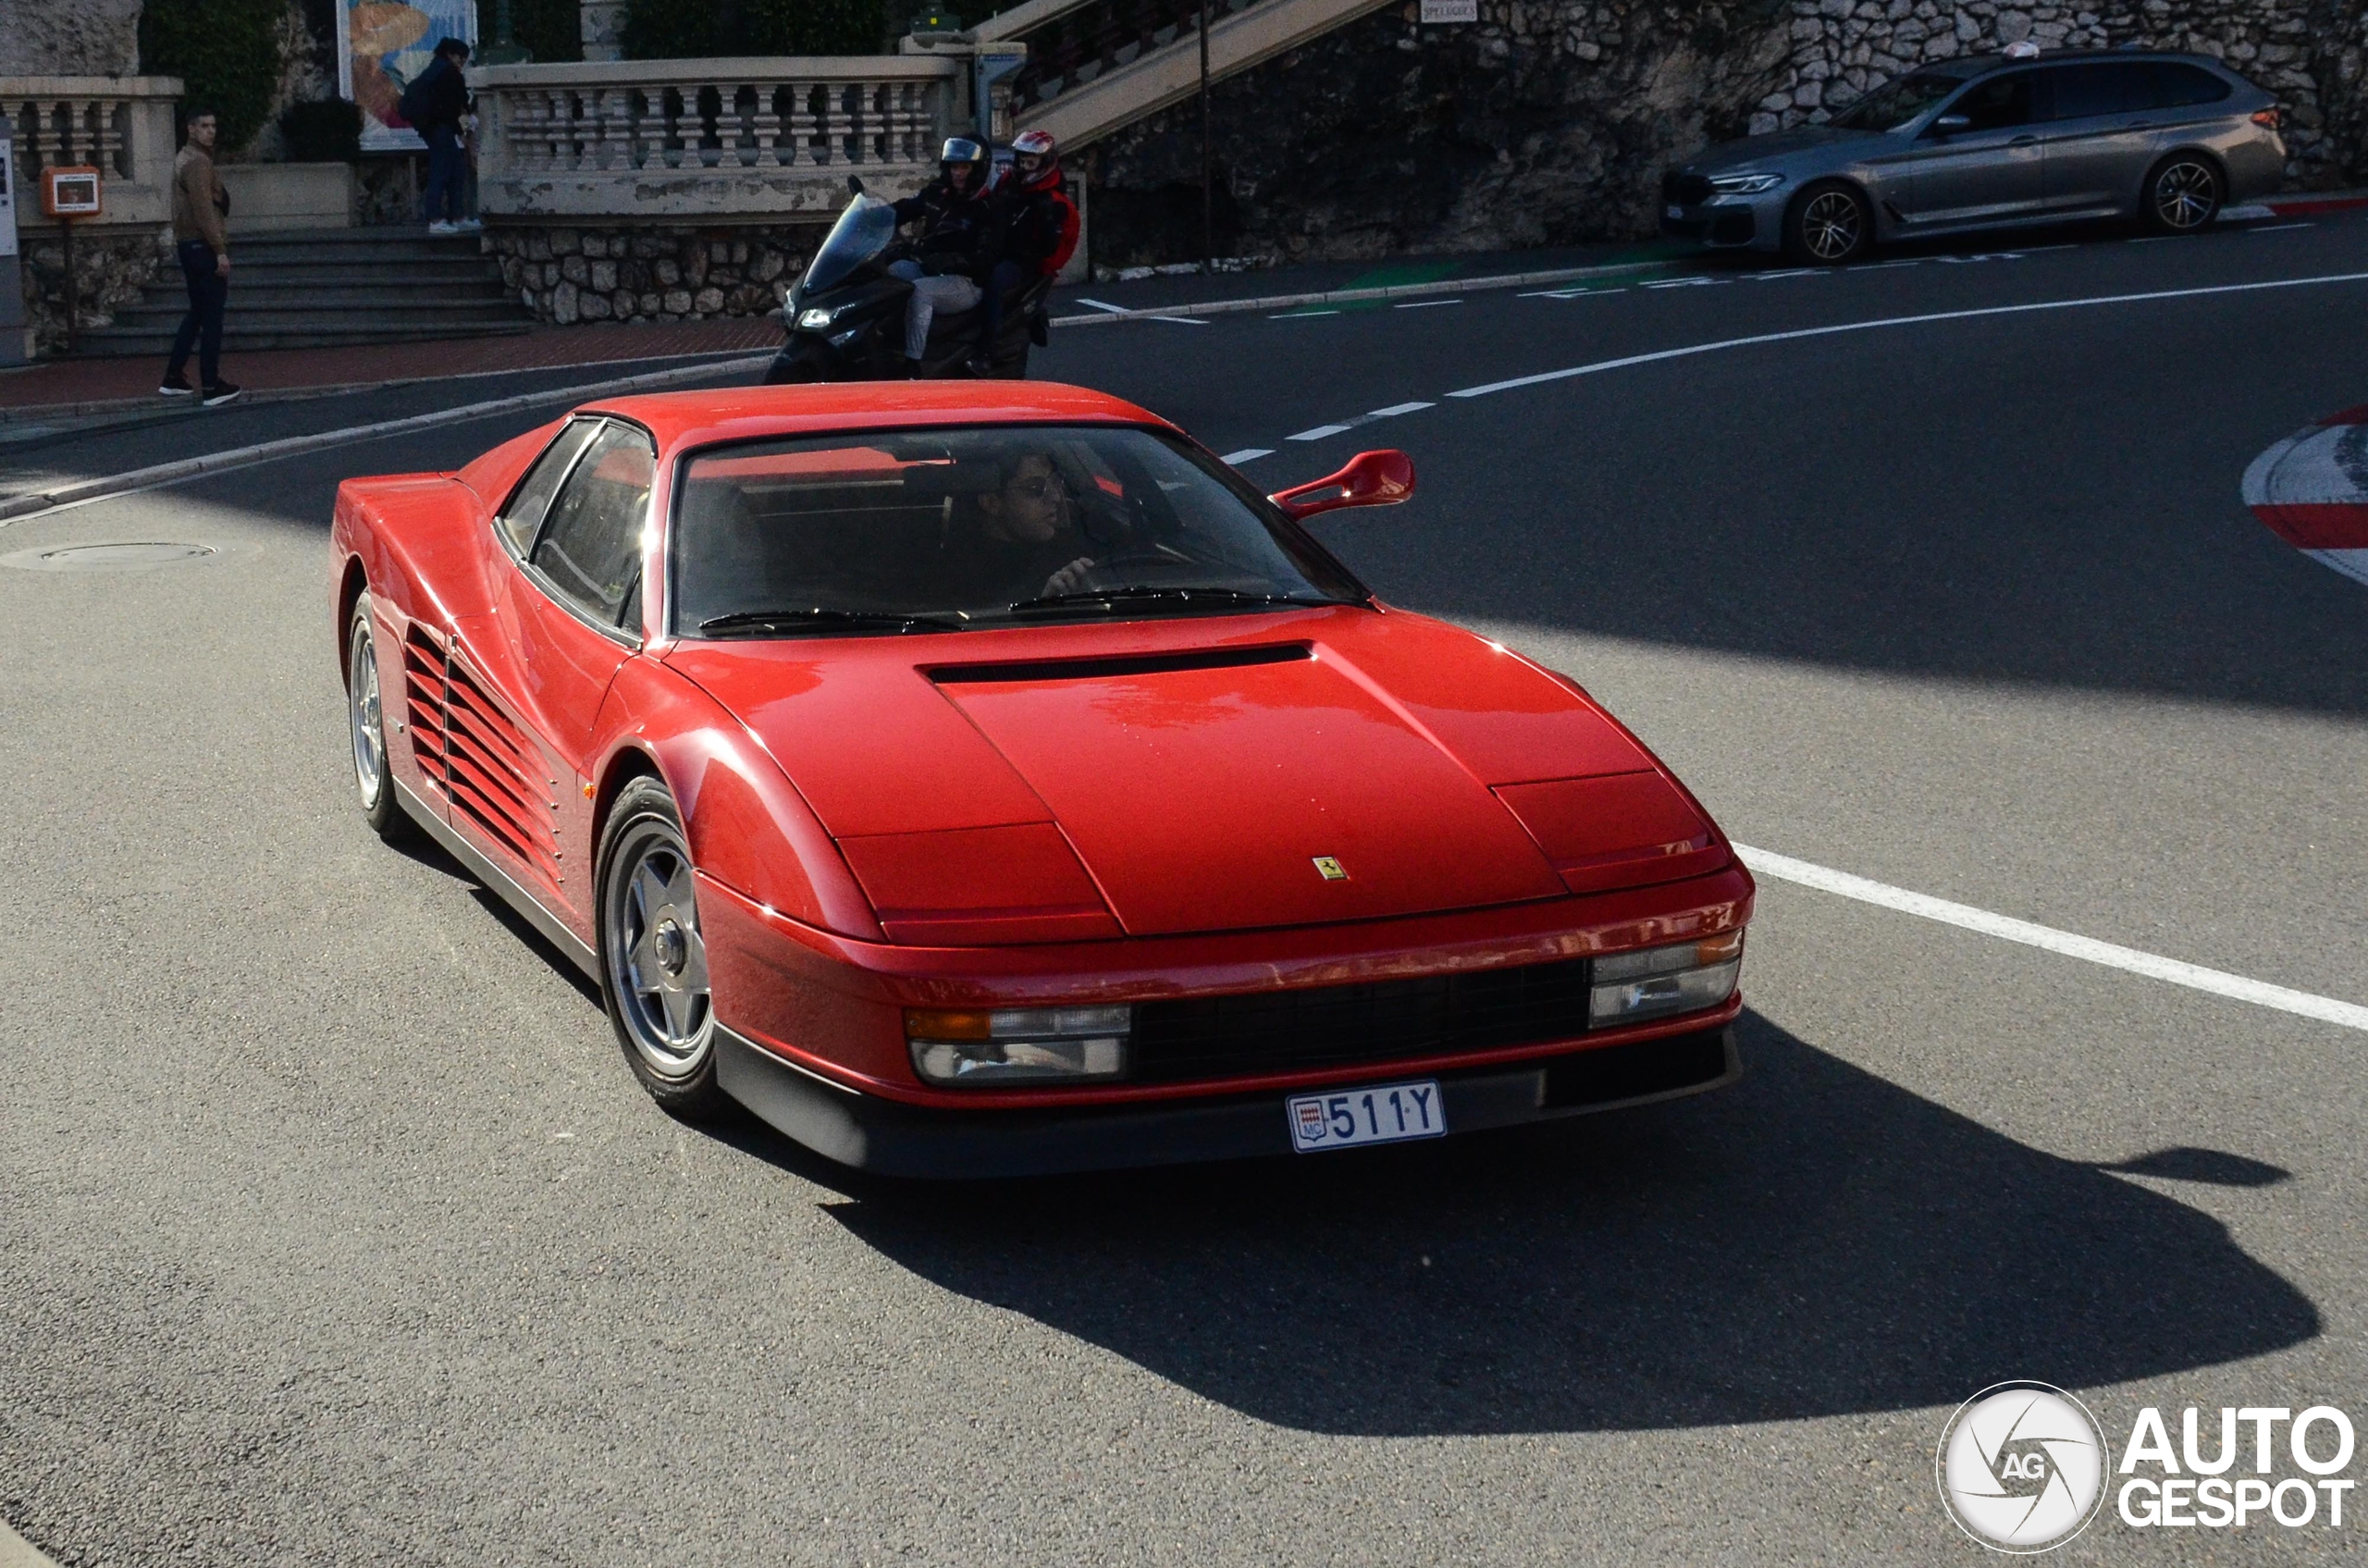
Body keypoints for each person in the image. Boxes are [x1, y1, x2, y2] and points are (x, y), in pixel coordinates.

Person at [886, 138, 1005, 373]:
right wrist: (878, 214)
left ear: (977, 169)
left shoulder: (988, 207)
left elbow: (986, 260)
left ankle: (913, 365)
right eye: (954, 167)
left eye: (964, 167)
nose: (958, 173)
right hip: (929, 268)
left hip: (966, 283)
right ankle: (885, 343)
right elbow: (907, 208)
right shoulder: (937, 193)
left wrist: (953, 261)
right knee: (889, 273)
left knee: (920, 292)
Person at [937, 451, 1100, 604]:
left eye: (1057, 483)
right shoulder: (958, 577)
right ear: (991, 502)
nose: (1056, 497)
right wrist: (1043, 605)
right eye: (1035, 489)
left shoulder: (1072, 547)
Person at [980, 130, 1079, 367]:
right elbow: (991, 210)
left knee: (993, 284)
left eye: (1031, 162)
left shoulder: (1055, 203)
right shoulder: (1008, 183)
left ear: (1044, 162)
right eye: (1022, 161)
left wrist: (1042, 267)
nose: (1025, 167)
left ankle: (986, 350)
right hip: (999, 250)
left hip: (1026, 262)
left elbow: (1063, 243)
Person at [160, 107, 239, 406]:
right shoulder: (197, 163)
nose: (211, 131)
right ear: (190, 129)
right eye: (204, 126)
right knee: (213, 318)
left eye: (213, 125)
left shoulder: (187, 158)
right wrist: (219, 250)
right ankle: (211, 385)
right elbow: (204, 209)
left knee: (197, 313)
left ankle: (173, 377)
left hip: (188, 244)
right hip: (201, 246)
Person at [403, 37, 478, 235]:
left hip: (431, 127)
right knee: (445, 169)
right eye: (460, 57)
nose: (462, 61)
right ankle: (437, 218)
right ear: (450, 55)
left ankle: (455, 216)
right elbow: (455, 106)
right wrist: (463, 130)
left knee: (452, 168)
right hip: (440, 127)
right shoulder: (449, 74)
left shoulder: (433, 72)